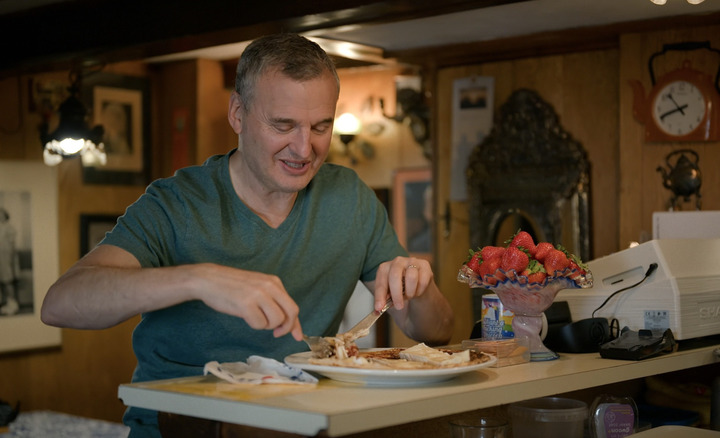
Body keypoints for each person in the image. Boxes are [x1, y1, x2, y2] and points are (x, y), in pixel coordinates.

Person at [40, 33, 454, 438]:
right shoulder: (176, 203)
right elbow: (61, 304)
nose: (304, 148)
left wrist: (420, 287)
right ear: (237, 114)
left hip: (299, 424)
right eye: (283, 125)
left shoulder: (350, 198)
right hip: (180, 428)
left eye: (320, 127)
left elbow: (434, 333)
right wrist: (198, 278)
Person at [0, 207, 19, 316]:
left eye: (1, 214)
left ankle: (13, 305)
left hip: (6, 257)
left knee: (8, 280)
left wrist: (11, 259)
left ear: (5, 215)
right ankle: (8, 303)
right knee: (3, 281)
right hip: (1, 258)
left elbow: (12, 245)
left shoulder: (9, 227)